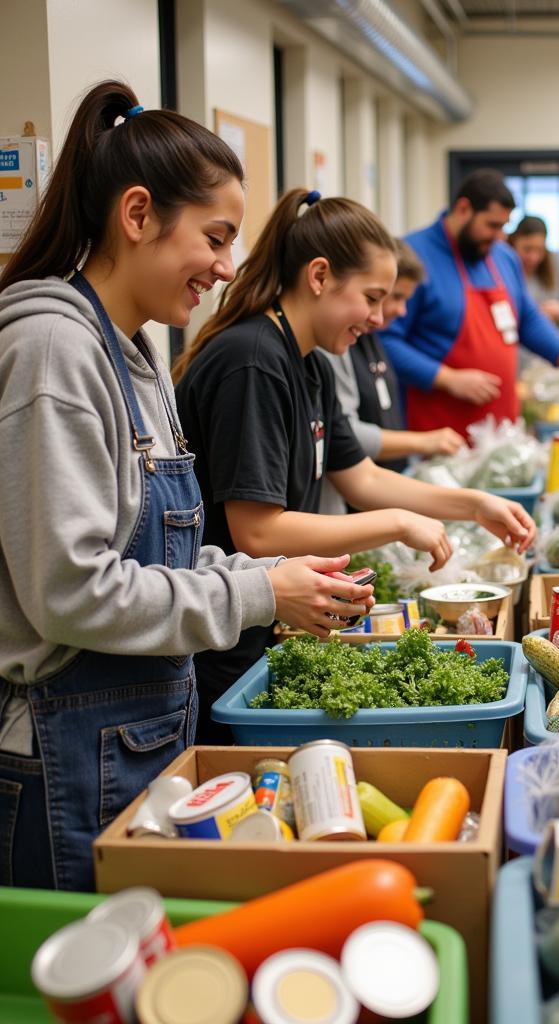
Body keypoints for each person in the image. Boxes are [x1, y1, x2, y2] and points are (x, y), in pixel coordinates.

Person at [0, 82, 372, 890]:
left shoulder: (135, 358)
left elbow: (168, 549)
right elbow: (72, 591)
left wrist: (263, 579)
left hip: (138, 741)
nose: (227, 267)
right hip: (68, 757)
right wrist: (259, 594)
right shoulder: (53, 354)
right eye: (215, 237)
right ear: (138, 215)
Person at [173, 189, 537, 742]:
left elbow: (361, 477)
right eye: (371, 298)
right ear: (319, 276)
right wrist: (397, 524)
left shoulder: (308, 362)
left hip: (257, 621)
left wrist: (475, 505)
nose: (377, 318)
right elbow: (258, 528)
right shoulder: (254, 361)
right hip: (216, 640)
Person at [378, 169, 559, 438]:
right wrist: (447, 379)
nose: (500, 236)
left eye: (504, 227)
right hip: (438, 428)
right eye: (492, 225)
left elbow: (527, 318)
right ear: (463, 209)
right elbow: (386, 342)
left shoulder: (502, 257)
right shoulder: (415, 256)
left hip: (499, 427)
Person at [319, 240, 464, 505]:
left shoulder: (373, 337)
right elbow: (347, 435)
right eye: (391, 297)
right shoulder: (334, 347)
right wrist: (420, 442)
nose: (401, 310)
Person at [507, 215, 559, 335]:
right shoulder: (505, 265)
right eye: (527, 249)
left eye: (539, 250)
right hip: (519, 339)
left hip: (551, 336)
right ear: (514, 243)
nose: (533, 257)